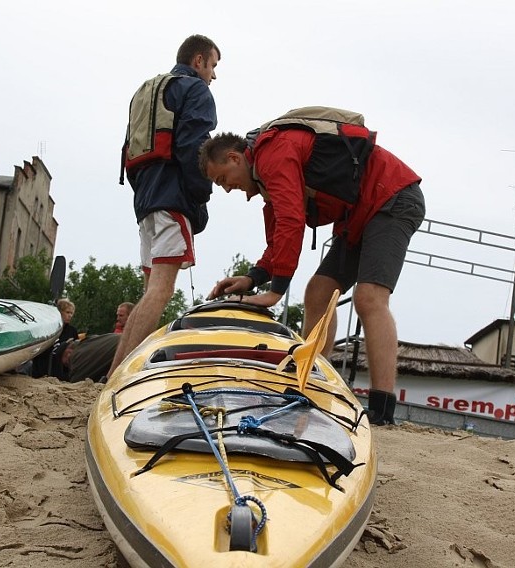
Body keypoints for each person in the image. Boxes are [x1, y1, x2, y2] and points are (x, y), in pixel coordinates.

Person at [198, 110, 425, 425]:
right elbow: (278, 239)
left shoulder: (273, 154)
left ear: (236, 159)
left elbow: (293, 221)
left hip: (392, 196)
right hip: (357, 215)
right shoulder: (266, 179)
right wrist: (252, 279)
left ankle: (382, 410)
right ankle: (310, 386)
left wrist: (275, 292)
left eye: (222, 179)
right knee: (318, 292)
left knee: (369, 297)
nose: (225, 189)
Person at [108, 34, 221, 376]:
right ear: (198, 60)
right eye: (213, 65)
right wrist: (200, 196)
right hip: (172, 197)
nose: (214, 75)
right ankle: (123, 377)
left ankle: (114, 374)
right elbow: (195, 149)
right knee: (161, 290)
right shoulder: (195, 90)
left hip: (144, 199)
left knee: (148, 292)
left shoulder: (148, 90)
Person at [32, 298, 79, 379]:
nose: (70, 315)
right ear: (59, 312)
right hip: (42, 370)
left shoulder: (72, 331)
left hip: (62, 374)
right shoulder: (47, 328)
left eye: (72, 313)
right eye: (67, 312)